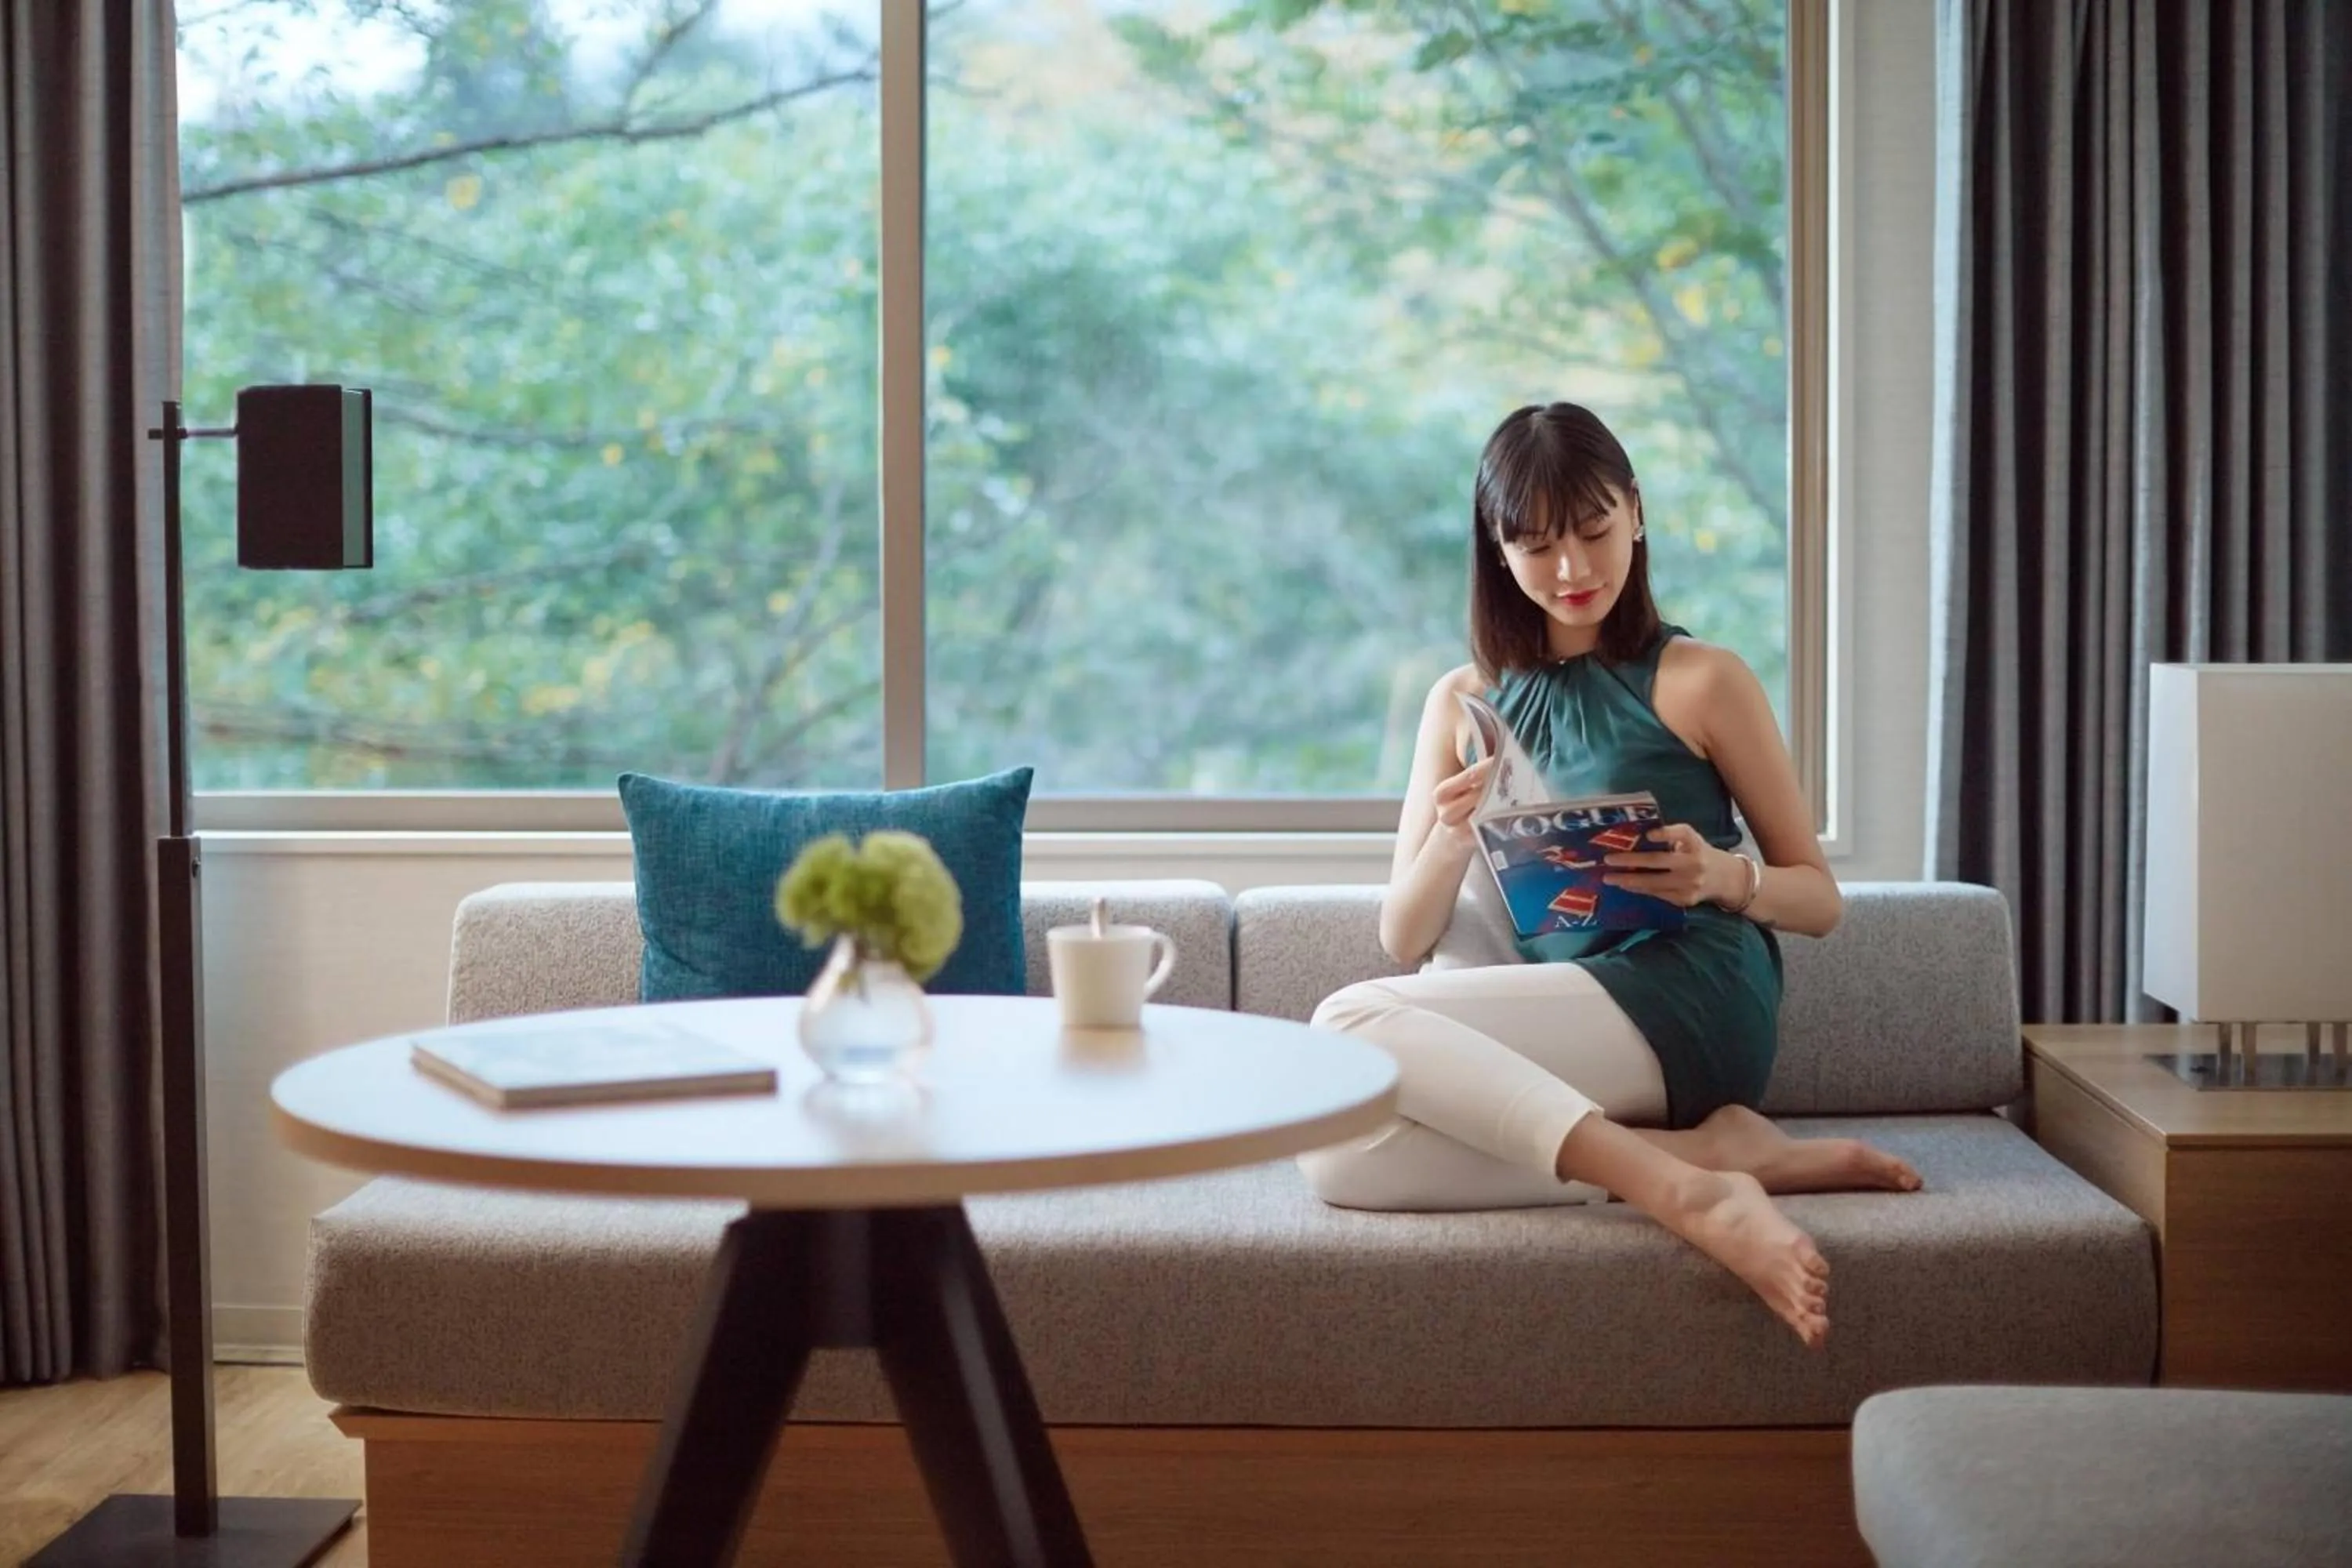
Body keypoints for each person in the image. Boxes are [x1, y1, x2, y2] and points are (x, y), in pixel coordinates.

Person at [1299, 401, 1921, 1348]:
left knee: (1344, 1023)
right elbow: (1403, 935)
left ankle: (1689, 1194)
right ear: (1496, 550)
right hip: (1566, 1000)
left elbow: (1819, 899)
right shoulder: (1461, 700)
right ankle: (1707, 1154)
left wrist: (1721, 874)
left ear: (1635, 510)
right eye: (1537, 545)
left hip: (1691, 990)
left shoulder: (1702, 679)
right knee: (1339, 1156)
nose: (1573, 570)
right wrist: (1456, 835)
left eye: (1593, 531)